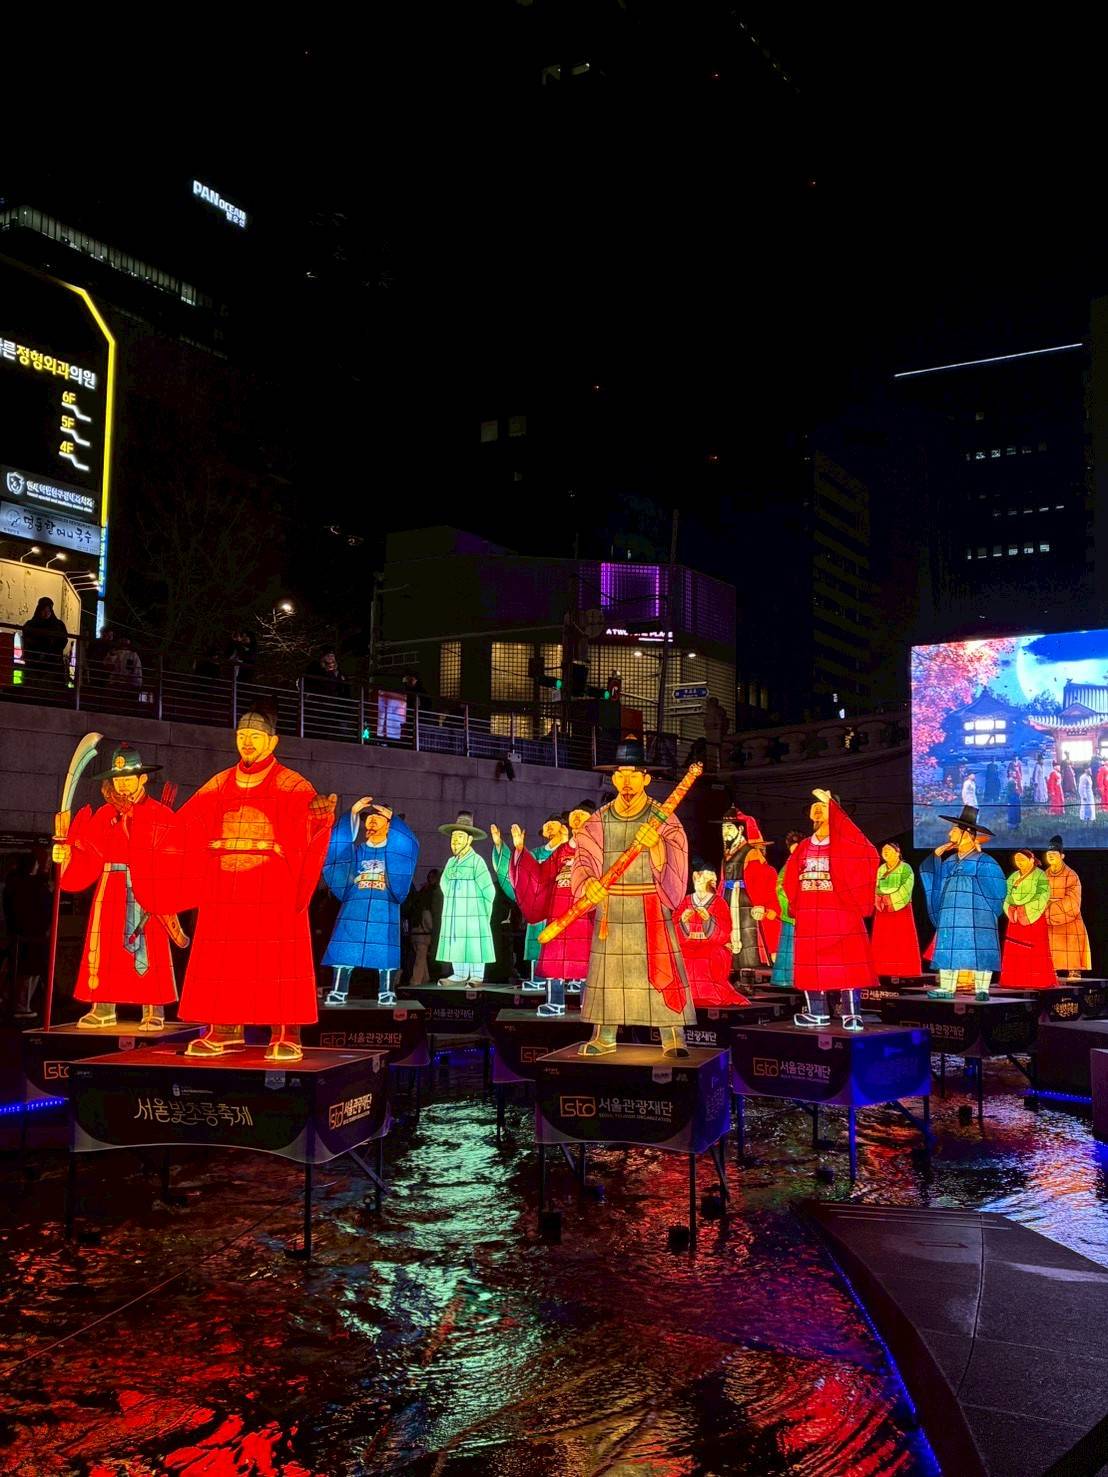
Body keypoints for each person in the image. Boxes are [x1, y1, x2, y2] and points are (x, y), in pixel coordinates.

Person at [130, 703, 337, 1061]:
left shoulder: (291, 784)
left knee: (276, 961)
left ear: (272, 742)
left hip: (271, 885)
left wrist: (319, 817)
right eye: (242, 736)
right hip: (224, 887)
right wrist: (151, 827)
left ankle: (285, 1032)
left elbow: (308, 824)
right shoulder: (219, 783)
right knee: (222, 960)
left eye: (255, 736)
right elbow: (185, 827)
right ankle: (223, 1030)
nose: (247, 742)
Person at [571, 733, 695, 1058]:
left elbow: (677, 854)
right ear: (613, 778)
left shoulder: (663, 818)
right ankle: (604, 1036)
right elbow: (583, 858)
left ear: (646, 778)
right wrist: (589, 883)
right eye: (621, 774)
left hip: (649, 903)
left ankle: (672, 1037)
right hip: (612, 907)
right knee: (610, 974)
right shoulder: (598, 820)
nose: (626, 782)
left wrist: (657, 847)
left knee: (661, 969)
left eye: (634, 775)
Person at [53, 743, 185, 1030]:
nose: (122, 783)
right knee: (105, 948)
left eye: (128, 777)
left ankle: (153, 1009)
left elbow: (176, 856)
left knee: (149, 948)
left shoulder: (160, 814)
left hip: (146, 888)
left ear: (142, 778)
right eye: (118, 778)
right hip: (110, 886)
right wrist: (67, 855)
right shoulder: (104, 814)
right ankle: (103, 1007)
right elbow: (88, 854)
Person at [782, 790, 878, 1030]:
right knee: (811, 967)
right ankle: (817, 1013)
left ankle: (851, 1013)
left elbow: (867, 854)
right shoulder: (804, 846)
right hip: (811, 915)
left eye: (823, 806)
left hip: (841, 912)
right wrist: (797, 905)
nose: (817, 810)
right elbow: (790, 878)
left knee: (848, 964)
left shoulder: (847, 843)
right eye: (814, 806)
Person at [321, 797, 418, 1005]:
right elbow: (337, 850)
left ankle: (386, 991)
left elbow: (408, 846)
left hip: (383, 907)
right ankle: (339, 990)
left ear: (389, 825)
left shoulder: (394, 852)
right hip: (356, 905)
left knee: (385, 949)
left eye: (378, 817)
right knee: (345, 947)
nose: (372, 821)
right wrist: (352, 814)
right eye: (368, 818)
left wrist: (394, 818)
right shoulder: (356, 852)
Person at [503, 810, 596, 1016]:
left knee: (585, 961)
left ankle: (588, 1004)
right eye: (575, 816)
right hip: (558, 914)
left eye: (583, 816)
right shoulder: (561, 851)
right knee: (555, 959)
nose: (578, 819)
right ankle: (555, 1003)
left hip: (583, 914)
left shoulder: (597, 850)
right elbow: (540, 875)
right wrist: (521, 851)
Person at [919, 803, 1006, 1000]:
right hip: (950, 914)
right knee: (948, 947)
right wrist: (936, 855)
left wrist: (988, 911)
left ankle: (982, 989)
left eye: (954, 830)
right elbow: (934, 881)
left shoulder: (984, 861)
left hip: (977, 914)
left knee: (980, 947)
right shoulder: (949, 861)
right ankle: (947, 988)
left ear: (966, 834)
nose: (950, 833)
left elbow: (997, 889)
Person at [490, 818, 559, 988]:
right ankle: (538, 979)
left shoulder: (571, 852)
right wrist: (502, 847)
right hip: (539, 910)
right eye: (548, 828)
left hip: (562, 907)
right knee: (538, 944)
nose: (551, 832)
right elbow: (517, 878)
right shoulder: (535, 855)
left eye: (556, 828)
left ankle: (570, 980)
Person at [676, 860, 748, 1005]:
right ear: (696, 877)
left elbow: (725, 929)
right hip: (688, 944)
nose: (711, 884)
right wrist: (683, 920)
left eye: (714, 881)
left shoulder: (719, 902)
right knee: (680, 957)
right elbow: (674, 926)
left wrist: (708, 919)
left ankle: (710, 996)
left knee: (708, 958)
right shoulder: (685, 901)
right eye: (707, 880)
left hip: (712, 945)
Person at [435, 812, 496, 982]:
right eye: (453, 838)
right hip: (454, 912)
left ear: (469, 840)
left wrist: (483, 912)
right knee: (456, 941)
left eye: (460, 838)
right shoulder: (451, 862)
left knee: (474, 943)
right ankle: (460, 974)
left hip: (473, 913)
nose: (455, 842)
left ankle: (477, 976)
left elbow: (488, 889)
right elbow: (444, 884)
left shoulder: (477, 861)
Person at [719, 807, 781, 971]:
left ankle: (751, 971)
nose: (725, 832)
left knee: (748, 936)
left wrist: (760, 904)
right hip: (727, 898)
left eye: (729, 828)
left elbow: (760, 881)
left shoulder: (751, 853)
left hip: (746, 900)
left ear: (740, 829)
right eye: (723, 828)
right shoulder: (727, 855)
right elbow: (722, 881)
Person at [999, 848, 1057, 990]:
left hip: (1032, 917)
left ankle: (1037, 981)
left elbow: (1042, 895)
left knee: (1035, 951)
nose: (1019, 862)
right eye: (1017, 860)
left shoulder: (1040, 875)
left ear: (1031, 860)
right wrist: (1011, 908)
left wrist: (1024, 909)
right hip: (1014, 918)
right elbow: (1005, 894)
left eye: (1022, 859)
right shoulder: (1013, 876)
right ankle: (1013, 981)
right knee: (1015, 951)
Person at [3, 851, 51, 1017]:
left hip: (17, 933)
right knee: (30, 971)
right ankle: (22, 1005)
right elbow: (44, 909)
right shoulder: (36, 887)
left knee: (16, 969)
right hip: (33, 935)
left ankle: (11, 1001)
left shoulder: (12, 884)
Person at [1043, 835, 1091, 980]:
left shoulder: (1071, 875)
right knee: (1050, 956)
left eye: (1054, 853)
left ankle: (1074, 973)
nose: (1051, 856)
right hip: (1048, 921)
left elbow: (1073, 901)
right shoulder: (1044, 875)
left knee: (1072, 954)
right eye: (1049, 854)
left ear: (1062, 856)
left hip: (1069, 920)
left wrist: (1051, 909)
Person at [872, 840, 922, 978]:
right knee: (883, 940)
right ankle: (882, 969)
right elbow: (877, 886)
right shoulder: (881, 869)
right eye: (883, 850)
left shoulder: (906, 868)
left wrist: (890, 899)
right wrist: (878, 898)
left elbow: (907, 888)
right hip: (882, 909)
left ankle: (905, 970)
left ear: (897, 852)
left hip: (900, 908)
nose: (885, 852)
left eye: (888, 850)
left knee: (902, 939)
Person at [769, 831, 802, 987]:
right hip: (790, 911)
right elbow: (780, 886)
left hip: (802, 911)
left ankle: (798, 978)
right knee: (788, 947)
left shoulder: (805, 862)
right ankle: (785, 979)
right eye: (792, 849)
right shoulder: (789, 864)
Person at [21, 597, 68, 686]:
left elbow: (63, 641)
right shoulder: (31, 624)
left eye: (48, 611)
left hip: (52, 663)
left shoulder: (58, 625)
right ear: (39, 610)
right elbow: (27, 641)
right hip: (35, 663)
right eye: (44, 610)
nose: (46, 613)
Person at [702, 696, 730, 774]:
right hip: (711, 732)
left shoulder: (718, 711)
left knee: (715, 748)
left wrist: (717, 725)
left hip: (715, 732)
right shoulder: (710, 712)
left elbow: (720, 722)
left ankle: (714, 766)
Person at [84, 628, 115, 697]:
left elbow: (88, 655)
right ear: (104, 634)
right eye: (109, 635)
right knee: (97, 686)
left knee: (101, 686)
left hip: (102, 669)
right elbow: (89, 654)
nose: (111, 637)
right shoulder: (99, 643)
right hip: (98, 668)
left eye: (111, 635)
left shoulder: (109, 644)